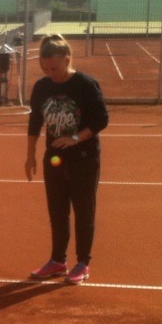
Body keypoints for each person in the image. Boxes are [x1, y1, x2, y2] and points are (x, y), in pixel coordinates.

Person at [25, 34, 109, 286]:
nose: (50, 73)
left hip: (84, 158)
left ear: (67, 59)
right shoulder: (42, 87)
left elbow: (101, 120)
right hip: (54, 159)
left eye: (54, 68)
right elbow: (35, 123)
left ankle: (83, 262)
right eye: (45, 68)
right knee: (57, 211)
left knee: (83, 211)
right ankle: (57, 261)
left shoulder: (85, 84)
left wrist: (75, 138)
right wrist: (30, 156)